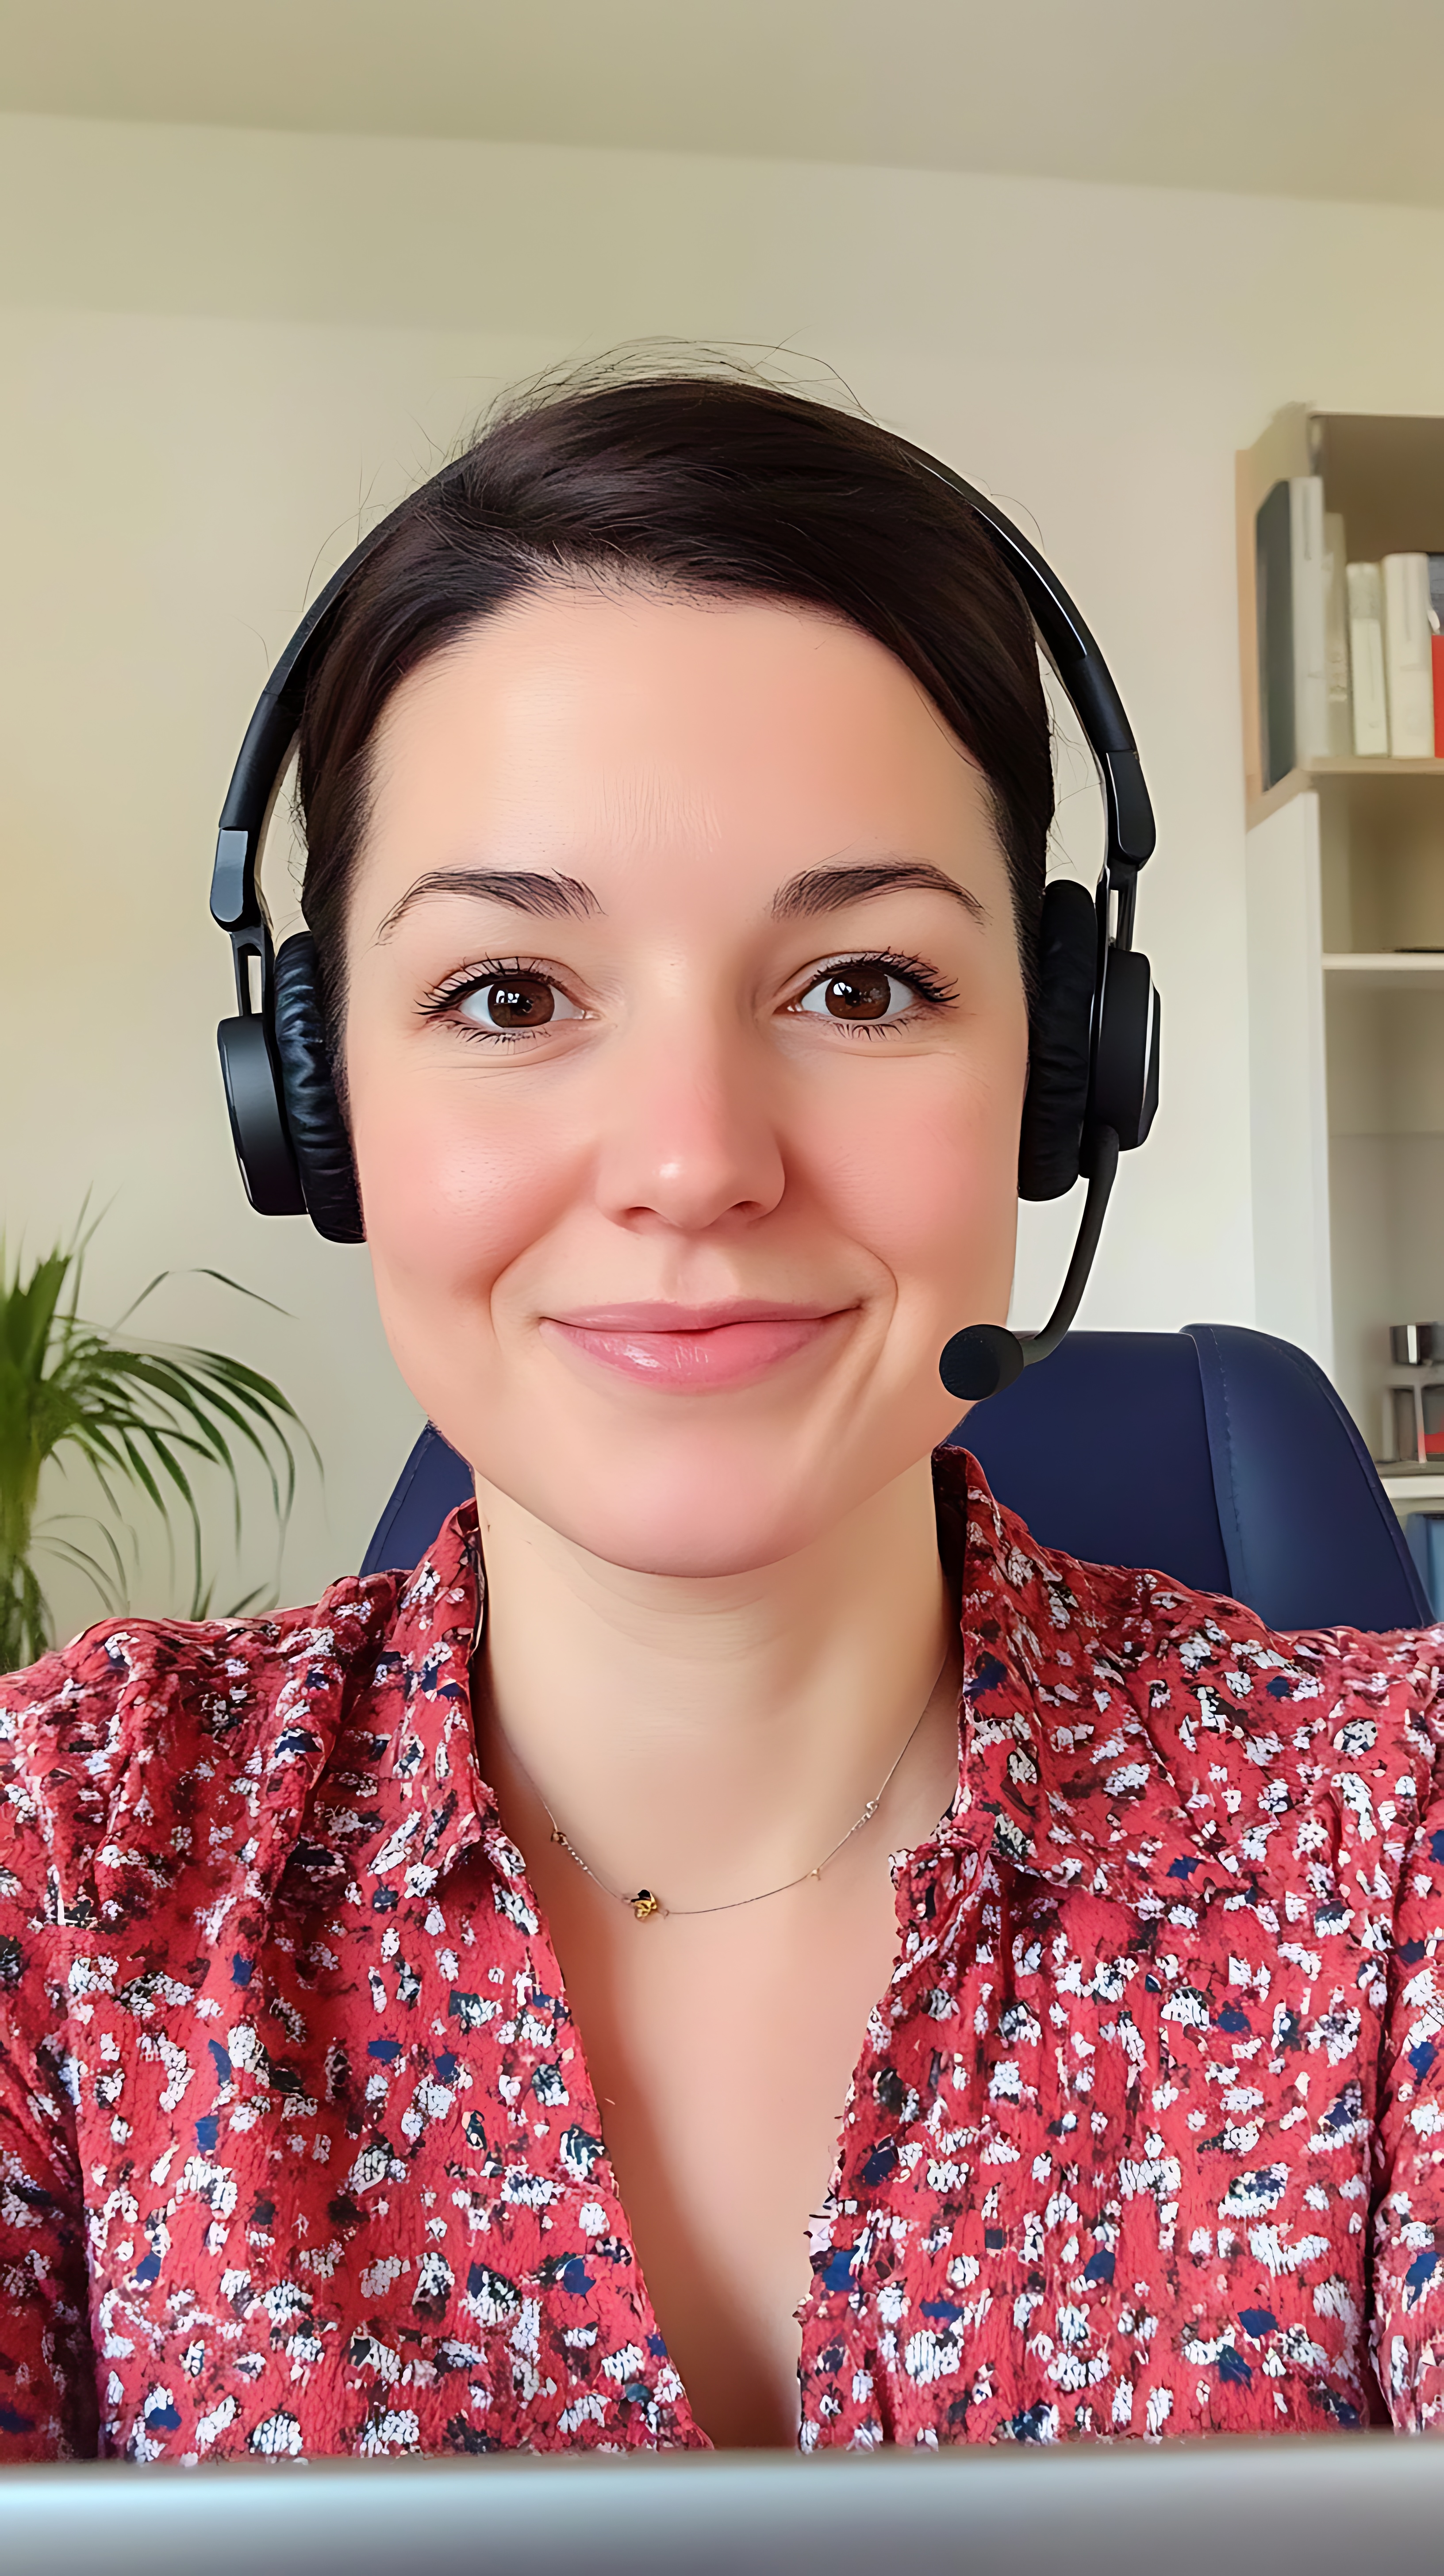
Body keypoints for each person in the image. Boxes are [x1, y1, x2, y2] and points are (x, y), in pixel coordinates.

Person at [0, 366, 1440, 2465]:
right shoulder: (67, 1867)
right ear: (310, 1108)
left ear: (1062, 1079)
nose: (694, 1163)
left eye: (861, 985)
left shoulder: (1396, 1858)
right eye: (510, 994)